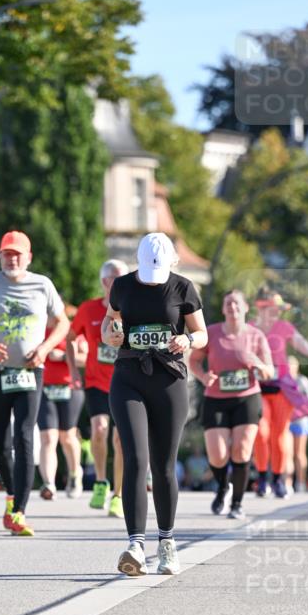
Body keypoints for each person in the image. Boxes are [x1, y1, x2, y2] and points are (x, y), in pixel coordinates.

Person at [102, 233, 207, 576]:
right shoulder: (123, 286)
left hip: (169, 380)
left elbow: (202, 333)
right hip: (129, 375)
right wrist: (110, 334)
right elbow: (109, 320)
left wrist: (187, 338)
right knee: (135, 458)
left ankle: (167, 543)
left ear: (172, 262)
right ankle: (135, 544)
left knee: (163, 465)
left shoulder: (183, 288)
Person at [0, 230, 69, 536]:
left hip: (29, 371)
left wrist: (45, 349)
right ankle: (12, 494)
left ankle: (20, 510)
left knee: (25, 437)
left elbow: (63, 322)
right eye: (6, 255)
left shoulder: (43, 284)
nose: (11, 260)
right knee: (0, 445)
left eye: (16, 255)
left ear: (28, 258)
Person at [189, 290, 273, 521]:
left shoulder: (256, 336)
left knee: (242, 449)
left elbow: (269, 371)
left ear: (245, 308)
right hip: (216, 399)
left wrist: (257, 364)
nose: (232, 308)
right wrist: (204, 377)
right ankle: (222, 487)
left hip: (247, 398)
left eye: (237, 304)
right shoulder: (212, 333)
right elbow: (194, 360)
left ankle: (237, 503)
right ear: (224, 309)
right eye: (228, 304)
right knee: (217, 456)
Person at [252, 286, 308, 499]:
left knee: (279, 435)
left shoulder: (284, 327)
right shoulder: (249, 328)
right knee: (261, 432)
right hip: (257, 387)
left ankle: (278, 479)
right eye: (276, 307)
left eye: (281, 308)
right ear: (262, 307)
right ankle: (262, 477)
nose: (279, 312)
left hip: (282, 388)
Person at [68, 260, 128, 518]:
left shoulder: (133, 309)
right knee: (100, 431)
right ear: (105, 282)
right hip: (95, 382)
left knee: (121, 439)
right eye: (116, 278)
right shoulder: (89, 309)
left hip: (126, 382)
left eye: (125, 277)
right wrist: (73, 371)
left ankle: (119, 494)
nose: (122, 282)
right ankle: (101, 482)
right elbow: (70, 338)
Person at [37, 323, 87, 499]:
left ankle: (74, 474)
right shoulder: (37, 329)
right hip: (43, 389)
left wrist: (63, 356)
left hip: (70, 388)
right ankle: (49, 483)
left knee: (67, 437)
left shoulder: (72, 331)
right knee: (48, 437)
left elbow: (87, 358)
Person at [287, 355, 308, 493]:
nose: (289, 368)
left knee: (299, 453)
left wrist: (298, 408)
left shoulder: (302, 380)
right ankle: (287, 483)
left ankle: (300, 483)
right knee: (286, 452)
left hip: (300, 420)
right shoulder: (282, 381)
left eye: (291, 365)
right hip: (286, 420)